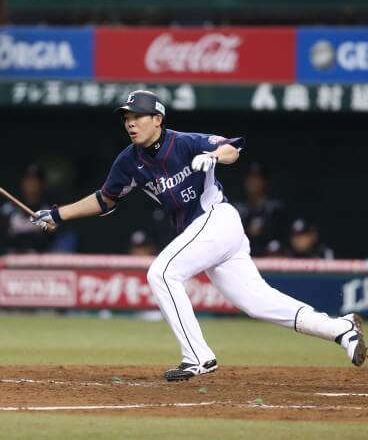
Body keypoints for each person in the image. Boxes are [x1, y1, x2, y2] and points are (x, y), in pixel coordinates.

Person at [30, 90, 366, 380]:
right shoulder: (128, 161)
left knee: (161, 272)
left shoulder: (185, 142)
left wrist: (213, 155)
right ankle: (340, 329)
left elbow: (232, 148)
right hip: (205, 235)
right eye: (126, 118)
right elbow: (106, 199)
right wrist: (59, 214)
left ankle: (197, 356)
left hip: (217, 220)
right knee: (258, 303)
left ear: (157, 118)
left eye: (138, 116)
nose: (131, 123)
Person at [0, 164, 77, 254]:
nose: (32, 186)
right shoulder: (9, 209)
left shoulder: (51, 209)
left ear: (42, 184)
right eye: (28, 181)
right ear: (23, 183)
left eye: (35, 181)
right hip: (14, 263)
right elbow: (7, 240)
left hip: (42, 264)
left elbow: (50, 240)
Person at [234, 162, 285, 257]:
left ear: (265, 181)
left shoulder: (274, 208)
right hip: (242, 258)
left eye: (257, 178)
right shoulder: (238, 209)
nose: (253, 182)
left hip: (269, 262)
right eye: (250, 178)